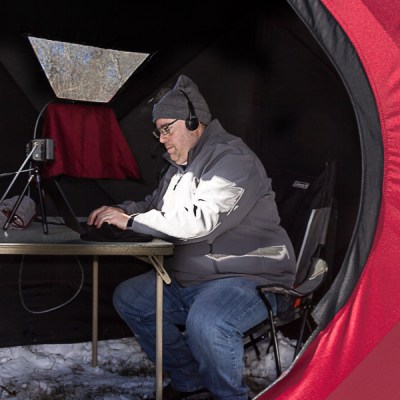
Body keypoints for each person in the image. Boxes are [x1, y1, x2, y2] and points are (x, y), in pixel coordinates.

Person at [87, 75, 296, 400]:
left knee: (208, 322)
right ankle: (189, 382)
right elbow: (153, 205)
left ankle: (227, 395)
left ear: (193, 121)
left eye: (166, 128)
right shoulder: (181, 166)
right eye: (158, 131)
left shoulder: (231, 161)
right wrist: (119, 211)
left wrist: (131, 221)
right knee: (131, 299)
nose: (161, 139)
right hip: (193, 278)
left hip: (247, 277)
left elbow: (201, 221)